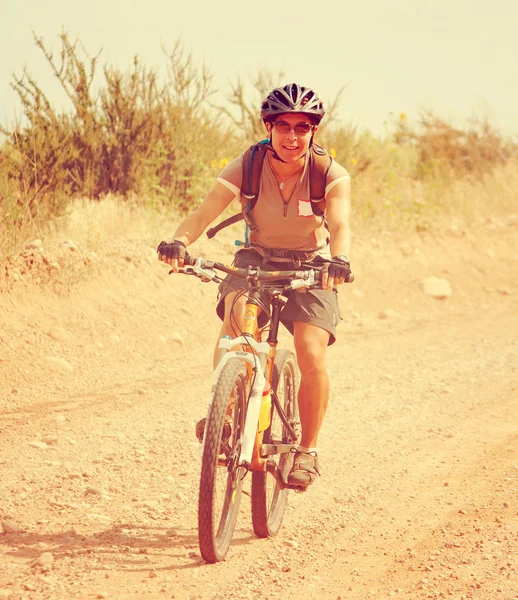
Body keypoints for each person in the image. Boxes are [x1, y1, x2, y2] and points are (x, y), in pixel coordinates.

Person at [157, 83, 352, 489]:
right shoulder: (247, 165)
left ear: (314, 130)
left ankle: (307, 451)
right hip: (258, 258)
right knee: (236, 323)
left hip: (314, 265)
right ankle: (225, 413)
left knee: (310, 350)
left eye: (303, 127)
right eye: (284, 126)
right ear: (268, 126)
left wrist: (339, 260)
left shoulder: (328, 174)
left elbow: (340, 224)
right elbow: (205, 211)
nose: (293, 136)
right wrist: (179, 242)